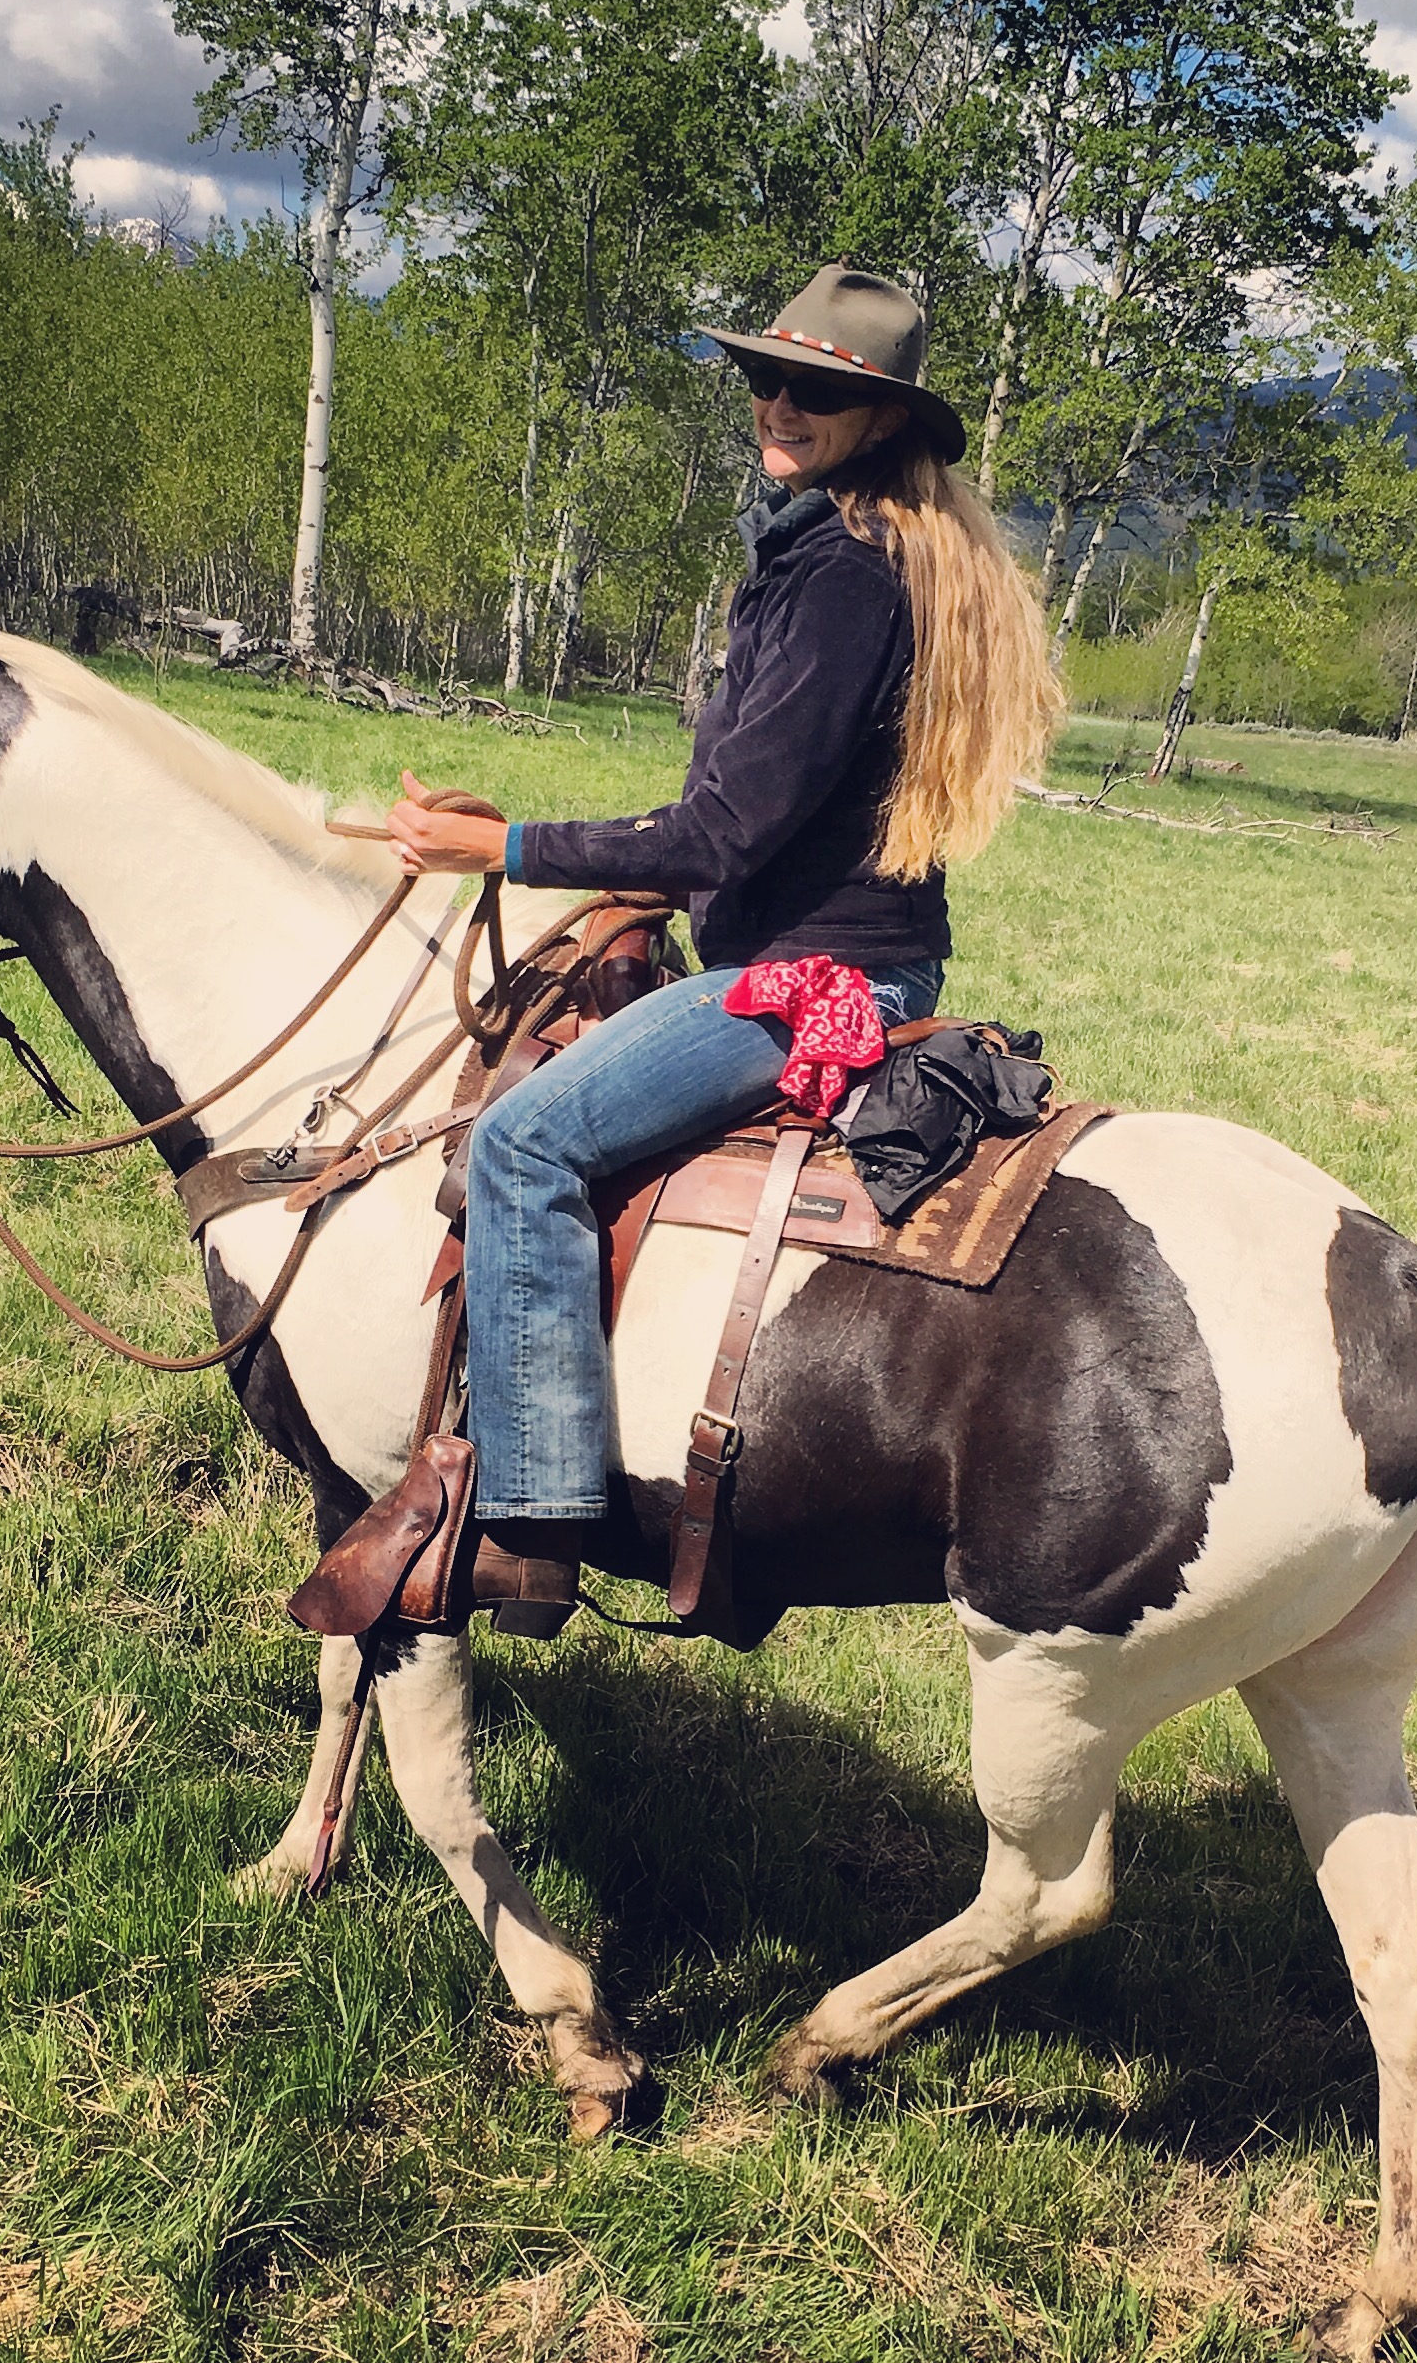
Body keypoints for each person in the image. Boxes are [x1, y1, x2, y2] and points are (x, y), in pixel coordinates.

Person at [313, 265, 1059, 1636]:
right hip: (828, 953)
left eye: (819, 390)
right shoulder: (849, 547)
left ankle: (530, 1520)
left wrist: (514, 851)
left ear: (880, 418)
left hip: (809, 981)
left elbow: (723, 825)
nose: (779, 402)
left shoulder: (841, 573)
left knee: (525, 1142)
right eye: (766, 377)